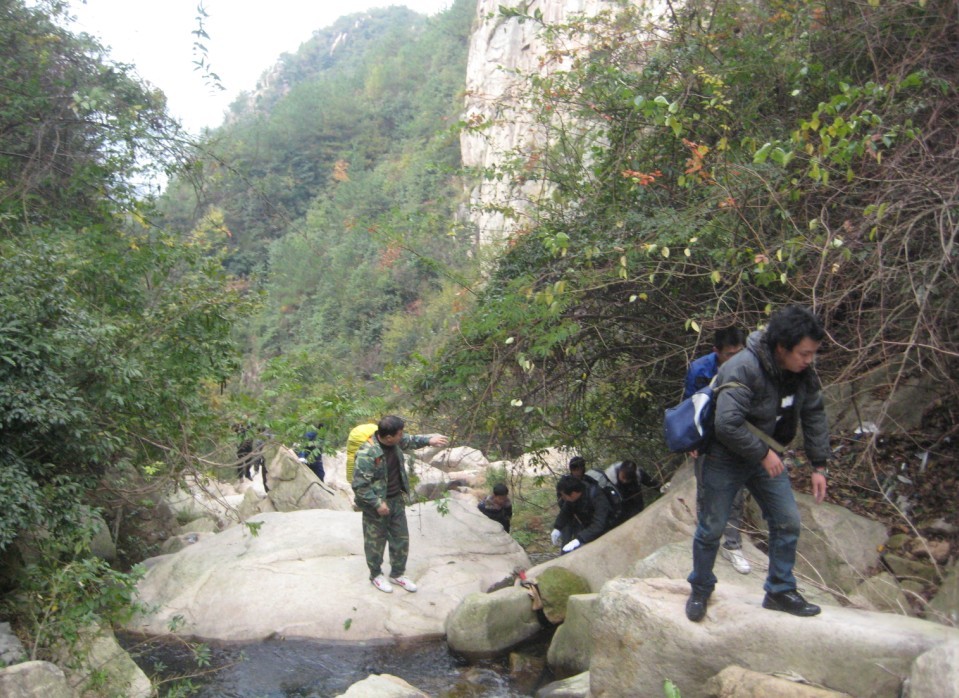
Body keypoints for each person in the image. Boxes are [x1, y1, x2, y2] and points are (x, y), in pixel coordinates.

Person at [685, 306, 831, 622]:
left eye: (812, 354)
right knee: (712, 527)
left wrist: (819, 465)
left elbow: (814, 412)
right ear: (782, 347)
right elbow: (727, 423)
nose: (808, 360)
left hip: (766, 457)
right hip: (726, 456)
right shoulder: (743, 367)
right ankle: (700, 588)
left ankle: (779, 590)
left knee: (787, 521)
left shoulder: (803, 373)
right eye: (804, 353)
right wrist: (764, 454)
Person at [351, 415, 449, 594]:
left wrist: (430, 440)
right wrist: (377, 503)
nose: (402, 437)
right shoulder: (367, 453)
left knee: (400, 539)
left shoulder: (394, 441)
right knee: (375, 542)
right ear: (388, 437)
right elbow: (359, 486)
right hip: (376, 505)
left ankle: (397, 574)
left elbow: (410, 440)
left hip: (396, 500)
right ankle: (375, 575)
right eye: (399, 434)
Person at [685, 326, 751, 574]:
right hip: (708, 438)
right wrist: (693, 440)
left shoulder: (751, 366)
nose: (735, 359)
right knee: (705, 492)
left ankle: (732, 545)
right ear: (717, 352)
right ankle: (706, 545)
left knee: (735, 494)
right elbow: (690, 404)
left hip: (736, 437)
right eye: (730, 354)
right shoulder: (700, 369)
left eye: (740, 352)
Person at [550, 474, 615, 554]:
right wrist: (557, 528)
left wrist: (580, 539)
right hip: (588, 528)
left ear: (573, 493)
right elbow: (565, 511)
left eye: (564, 496)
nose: (563, 498)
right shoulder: (573, 497)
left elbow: (599, 524)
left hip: (607, 530)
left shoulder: (597, 497)